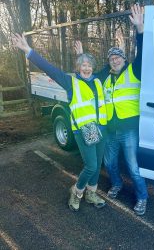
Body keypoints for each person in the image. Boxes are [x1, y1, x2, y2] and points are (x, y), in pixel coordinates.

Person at [12, 34, 107, 212]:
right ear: (78, 68)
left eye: (89, 65)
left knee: (98, 163)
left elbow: (111, 66)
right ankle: (77, 191)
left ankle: (91, 193)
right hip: (83, 130)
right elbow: (49, 68)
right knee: (91, 165)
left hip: (101, 129)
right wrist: (28, 51)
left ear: (93, 68)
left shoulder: (98, 80)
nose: (86, 68)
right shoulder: (70, 82)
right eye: (83, 65)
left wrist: (121, 45)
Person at [75, 4, 148, 215]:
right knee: (110, 164)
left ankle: (142, 197)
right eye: (111, 59)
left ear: (124, 59)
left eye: (118, 57)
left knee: (133, 167)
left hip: (128, 130)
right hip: (109, 131)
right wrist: (81, 55)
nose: (114, 60)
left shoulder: (133, 72)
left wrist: (139, 28)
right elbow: (86, 75)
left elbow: (142, 52)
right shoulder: (104, 78)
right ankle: (116, 185)